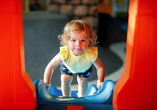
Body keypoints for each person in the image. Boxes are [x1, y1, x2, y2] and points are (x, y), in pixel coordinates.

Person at [43, 20, 105, 97]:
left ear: (89, 41)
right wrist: (46, 82)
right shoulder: (65, 53)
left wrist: (100, 81)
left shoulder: (91, 54)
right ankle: (66, 97)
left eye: (83, 40)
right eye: (73, 40)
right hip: (68, 66)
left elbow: (100, 67)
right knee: (65, 79)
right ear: (67, 41)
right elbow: (50, 67)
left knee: (83, 82)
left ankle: (82, 97)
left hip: (84, 68)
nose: (78, 44)